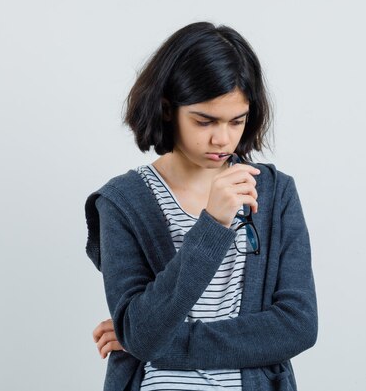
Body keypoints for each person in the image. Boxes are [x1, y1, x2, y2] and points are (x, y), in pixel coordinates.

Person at [84, 22, 317, 391]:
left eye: (236, 121)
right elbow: (143, 332)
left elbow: (297, 325)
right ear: (166, 109)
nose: (222, 138)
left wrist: (165, 343)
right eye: (204, 120)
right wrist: (213, 225)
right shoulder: (122, 203)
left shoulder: (275, 193)